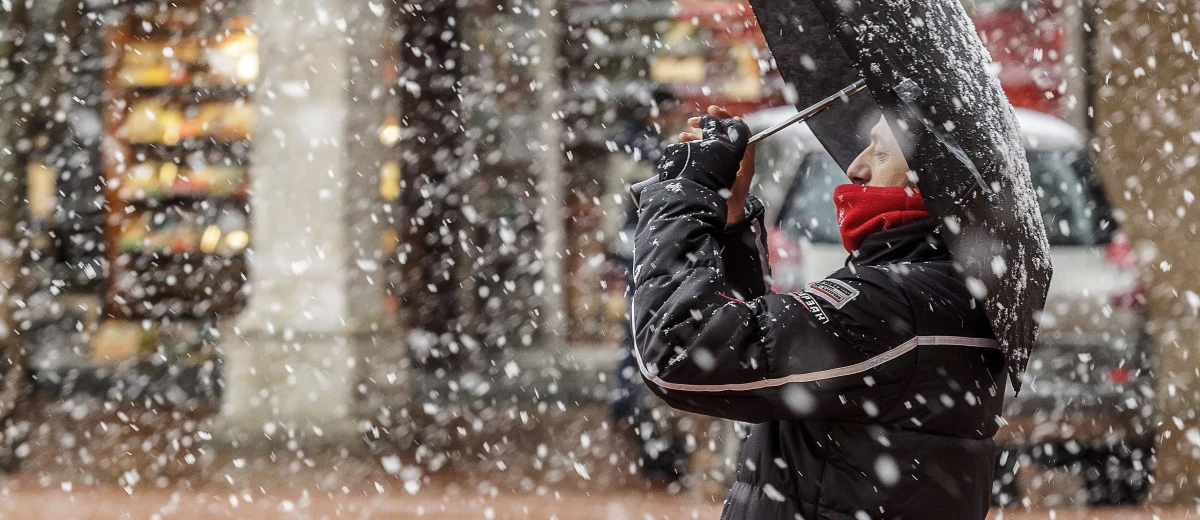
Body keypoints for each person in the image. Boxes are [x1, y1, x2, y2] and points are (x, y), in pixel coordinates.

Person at [630, 106, 1005, 519]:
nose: (856, 167)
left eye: (881, 152)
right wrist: (730, 224)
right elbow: (758, 372)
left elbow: (680, 350)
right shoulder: (944, 292)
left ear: (935, 180)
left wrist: (683, 195)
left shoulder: (899, 304)